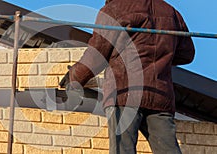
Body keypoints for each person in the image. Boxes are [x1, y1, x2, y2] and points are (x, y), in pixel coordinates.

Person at [59, 0, 195, 153]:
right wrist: (161, 57)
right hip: (160, 96)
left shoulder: (115, 9)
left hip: (124, 93)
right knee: (168, 150)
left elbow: (97, 54)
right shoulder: (171, 13)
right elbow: (187, 54)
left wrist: (75, 77)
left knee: (123, 150)